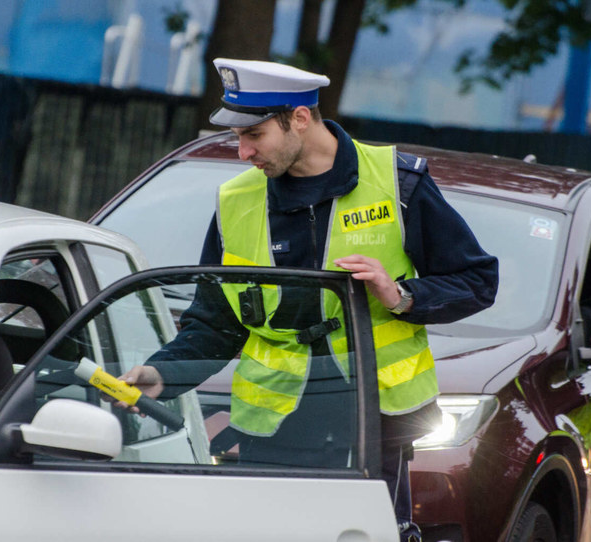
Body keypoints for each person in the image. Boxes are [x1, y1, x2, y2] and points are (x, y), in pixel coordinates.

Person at [119, 58, 498, 542]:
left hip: (374, 432)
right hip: (275, 436)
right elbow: (215, 323)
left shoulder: (398, 184)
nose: (242, 152)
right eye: (237, 138)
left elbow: (477, 280)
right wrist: (162, 373)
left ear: (299, 118)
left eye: (253, 134)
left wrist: (401, 294)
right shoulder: (236, 202)